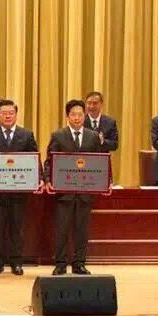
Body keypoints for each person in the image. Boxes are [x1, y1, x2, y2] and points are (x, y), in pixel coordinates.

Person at [0, 100, 38, 275]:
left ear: (16, 114)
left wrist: (40, 178)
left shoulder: (26, 135)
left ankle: (16, 262)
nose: (7, 116)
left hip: (19, 191)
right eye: (4, 113)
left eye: (11, 113)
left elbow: (34, 158)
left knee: (16, 228)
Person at [45, 99, 102, 275]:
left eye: (80, 114)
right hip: (64, 192)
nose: (77, 118)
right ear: (67, 117)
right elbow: (49, 162)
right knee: (62, 229)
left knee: (81, 229)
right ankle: (60, 263)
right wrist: (48, 180)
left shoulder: (93, 136)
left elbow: (100, 162)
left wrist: (106, 180)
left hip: (85, 191)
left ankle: (79, 263)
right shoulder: (58, 136)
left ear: (84, 116)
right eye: (73, 114)